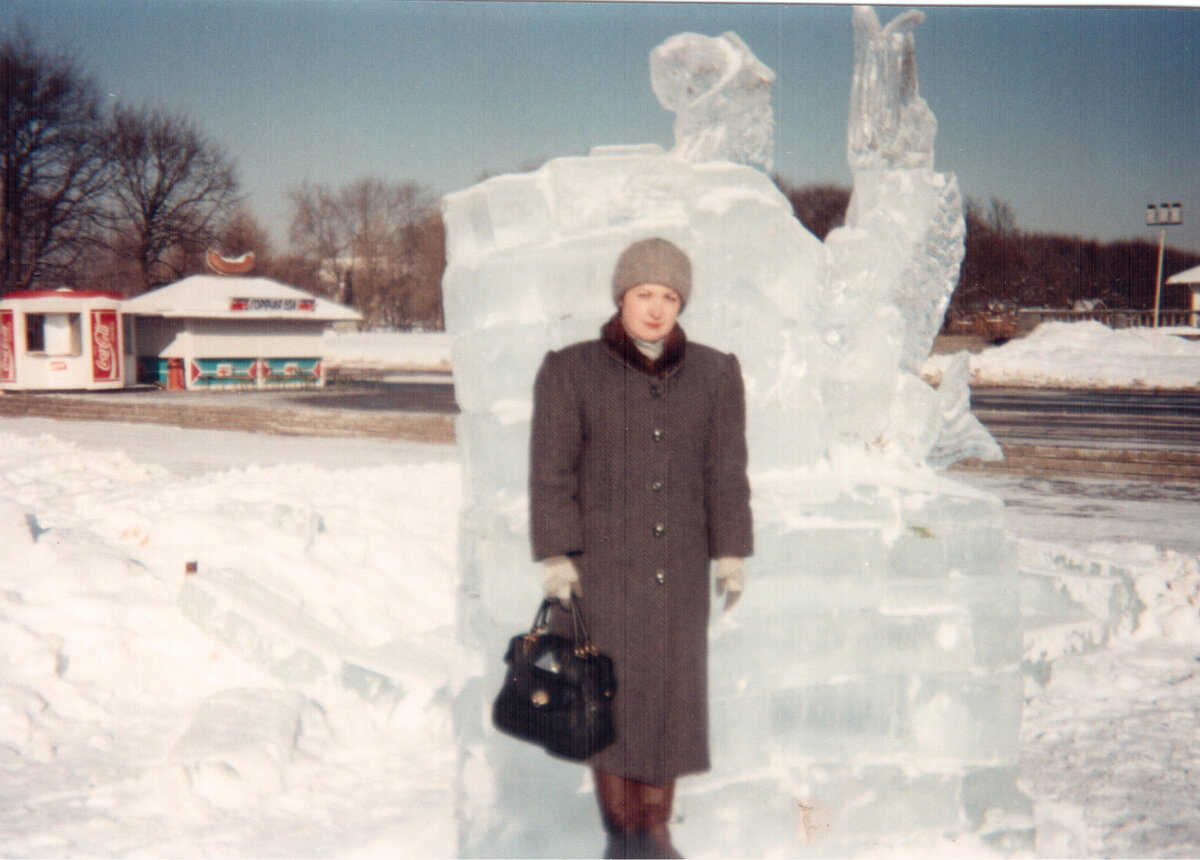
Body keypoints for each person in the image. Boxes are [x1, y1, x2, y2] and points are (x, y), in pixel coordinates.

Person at [529, 237, 754, 859]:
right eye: (644, 294)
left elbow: (725, 472)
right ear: (621, 297)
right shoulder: (570, 369)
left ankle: (652, 836)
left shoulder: (714, 372)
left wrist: (730, 552)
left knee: (670, 711)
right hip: (602, 577)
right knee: (611, 708)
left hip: (679, 578)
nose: (656, 309)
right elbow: (553, 473)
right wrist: (556, 557)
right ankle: (629, 839)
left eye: (670, 296)